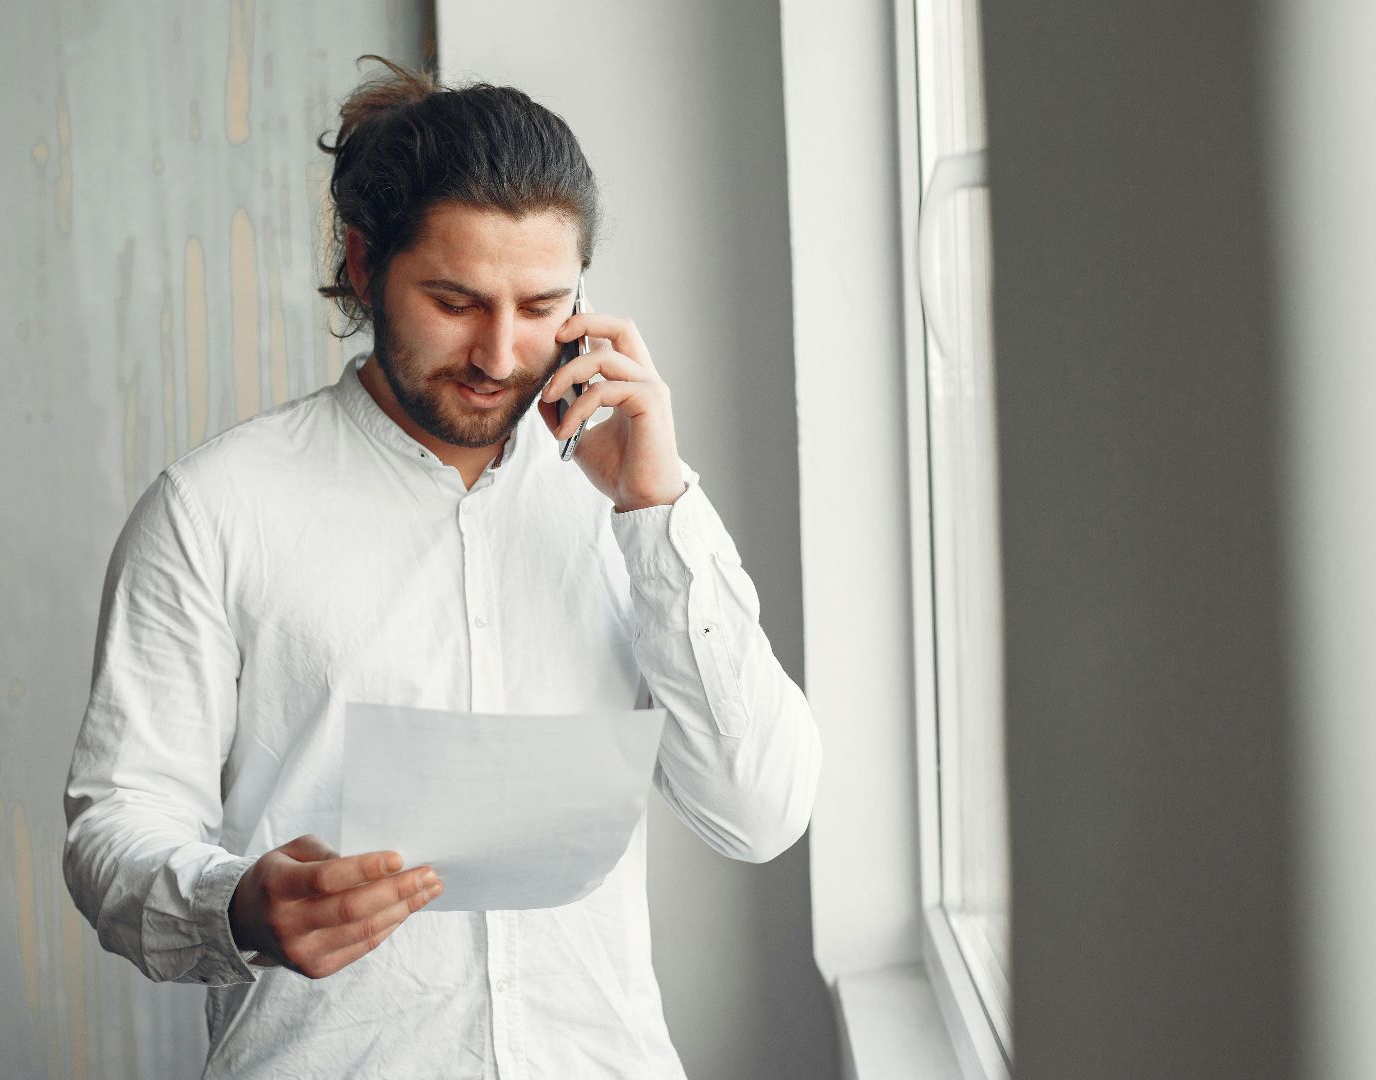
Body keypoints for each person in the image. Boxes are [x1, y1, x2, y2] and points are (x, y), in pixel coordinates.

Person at [61, 54, 821, 1079]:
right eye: (456, 302)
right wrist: (235, 904)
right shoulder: (212, 511)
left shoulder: (636, 506)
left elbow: (760, 812)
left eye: (542, 304)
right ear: (366, 265)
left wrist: (658, 507)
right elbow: (115, 827)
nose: (502, 354)